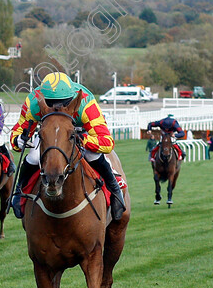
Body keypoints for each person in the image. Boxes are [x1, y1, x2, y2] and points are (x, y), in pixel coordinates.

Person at [8, 71, 125, 221]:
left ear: (71, 99)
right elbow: (17, 133)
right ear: (43, 100)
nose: (58, 107)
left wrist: (82, 139)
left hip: (79, 132)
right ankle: (19, 190)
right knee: (34, 156)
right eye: (52, 103)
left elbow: (107, 142)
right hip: (49, 133)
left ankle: (114, 190)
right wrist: (19, 140)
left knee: (92, 154)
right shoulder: (33, 103)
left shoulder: (85, 103)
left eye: (64, 103)